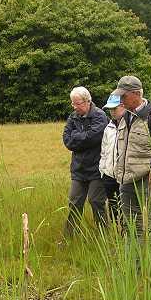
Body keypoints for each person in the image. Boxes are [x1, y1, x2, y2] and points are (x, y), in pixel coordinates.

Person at [112, 76, 151, 237]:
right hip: (125, 183)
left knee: (148, 228)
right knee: (127, 226)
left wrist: (149, 176)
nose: (120, 100)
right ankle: (132, 261)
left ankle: (150, 261)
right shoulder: (125, 116)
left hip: (147, 186)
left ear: (136, 94)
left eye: (123, 96)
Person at [62, 86, 109, 236]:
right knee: (74, 202)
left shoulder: (100, 116)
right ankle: (69, 236)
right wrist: (82, 137)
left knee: (96, 201)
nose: (75, 107)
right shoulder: (73, 117)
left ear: (88, 101)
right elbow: (67, 141)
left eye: (77, 104)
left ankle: (103, 235)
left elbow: (94, 138)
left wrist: (77, 136)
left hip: (97, 168)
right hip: (79, 169)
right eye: (73, 104)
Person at [99, 91, 126, 226]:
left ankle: (127, 234)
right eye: (110, 109)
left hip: (125, 177)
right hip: (109, 176)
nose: (112, 112)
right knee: (113, 207)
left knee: (126, 208)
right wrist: (103, 171)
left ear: (123, 105)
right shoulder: (108, 128)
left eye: (115, 108)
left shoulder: (129, 125)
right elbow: (104, 151)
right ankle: (117, 232)